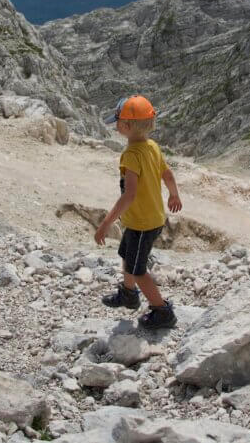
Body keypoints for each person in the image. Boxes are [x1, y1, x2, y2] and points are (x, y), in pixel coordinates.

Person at [94, 95, 183, 329]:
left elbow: (129, 195)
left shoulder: (131, 156)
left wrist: (105, 223)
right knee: (127, 254)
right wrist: (174, 194)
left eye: (117, 121)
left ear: (127, 126)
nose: (115, 125)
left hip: (142, 223)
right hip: (149, 219)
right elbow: (168, 174)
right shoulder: (152, 147)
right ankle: (128, 294)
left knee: (138, 269)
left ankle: (162, 311)